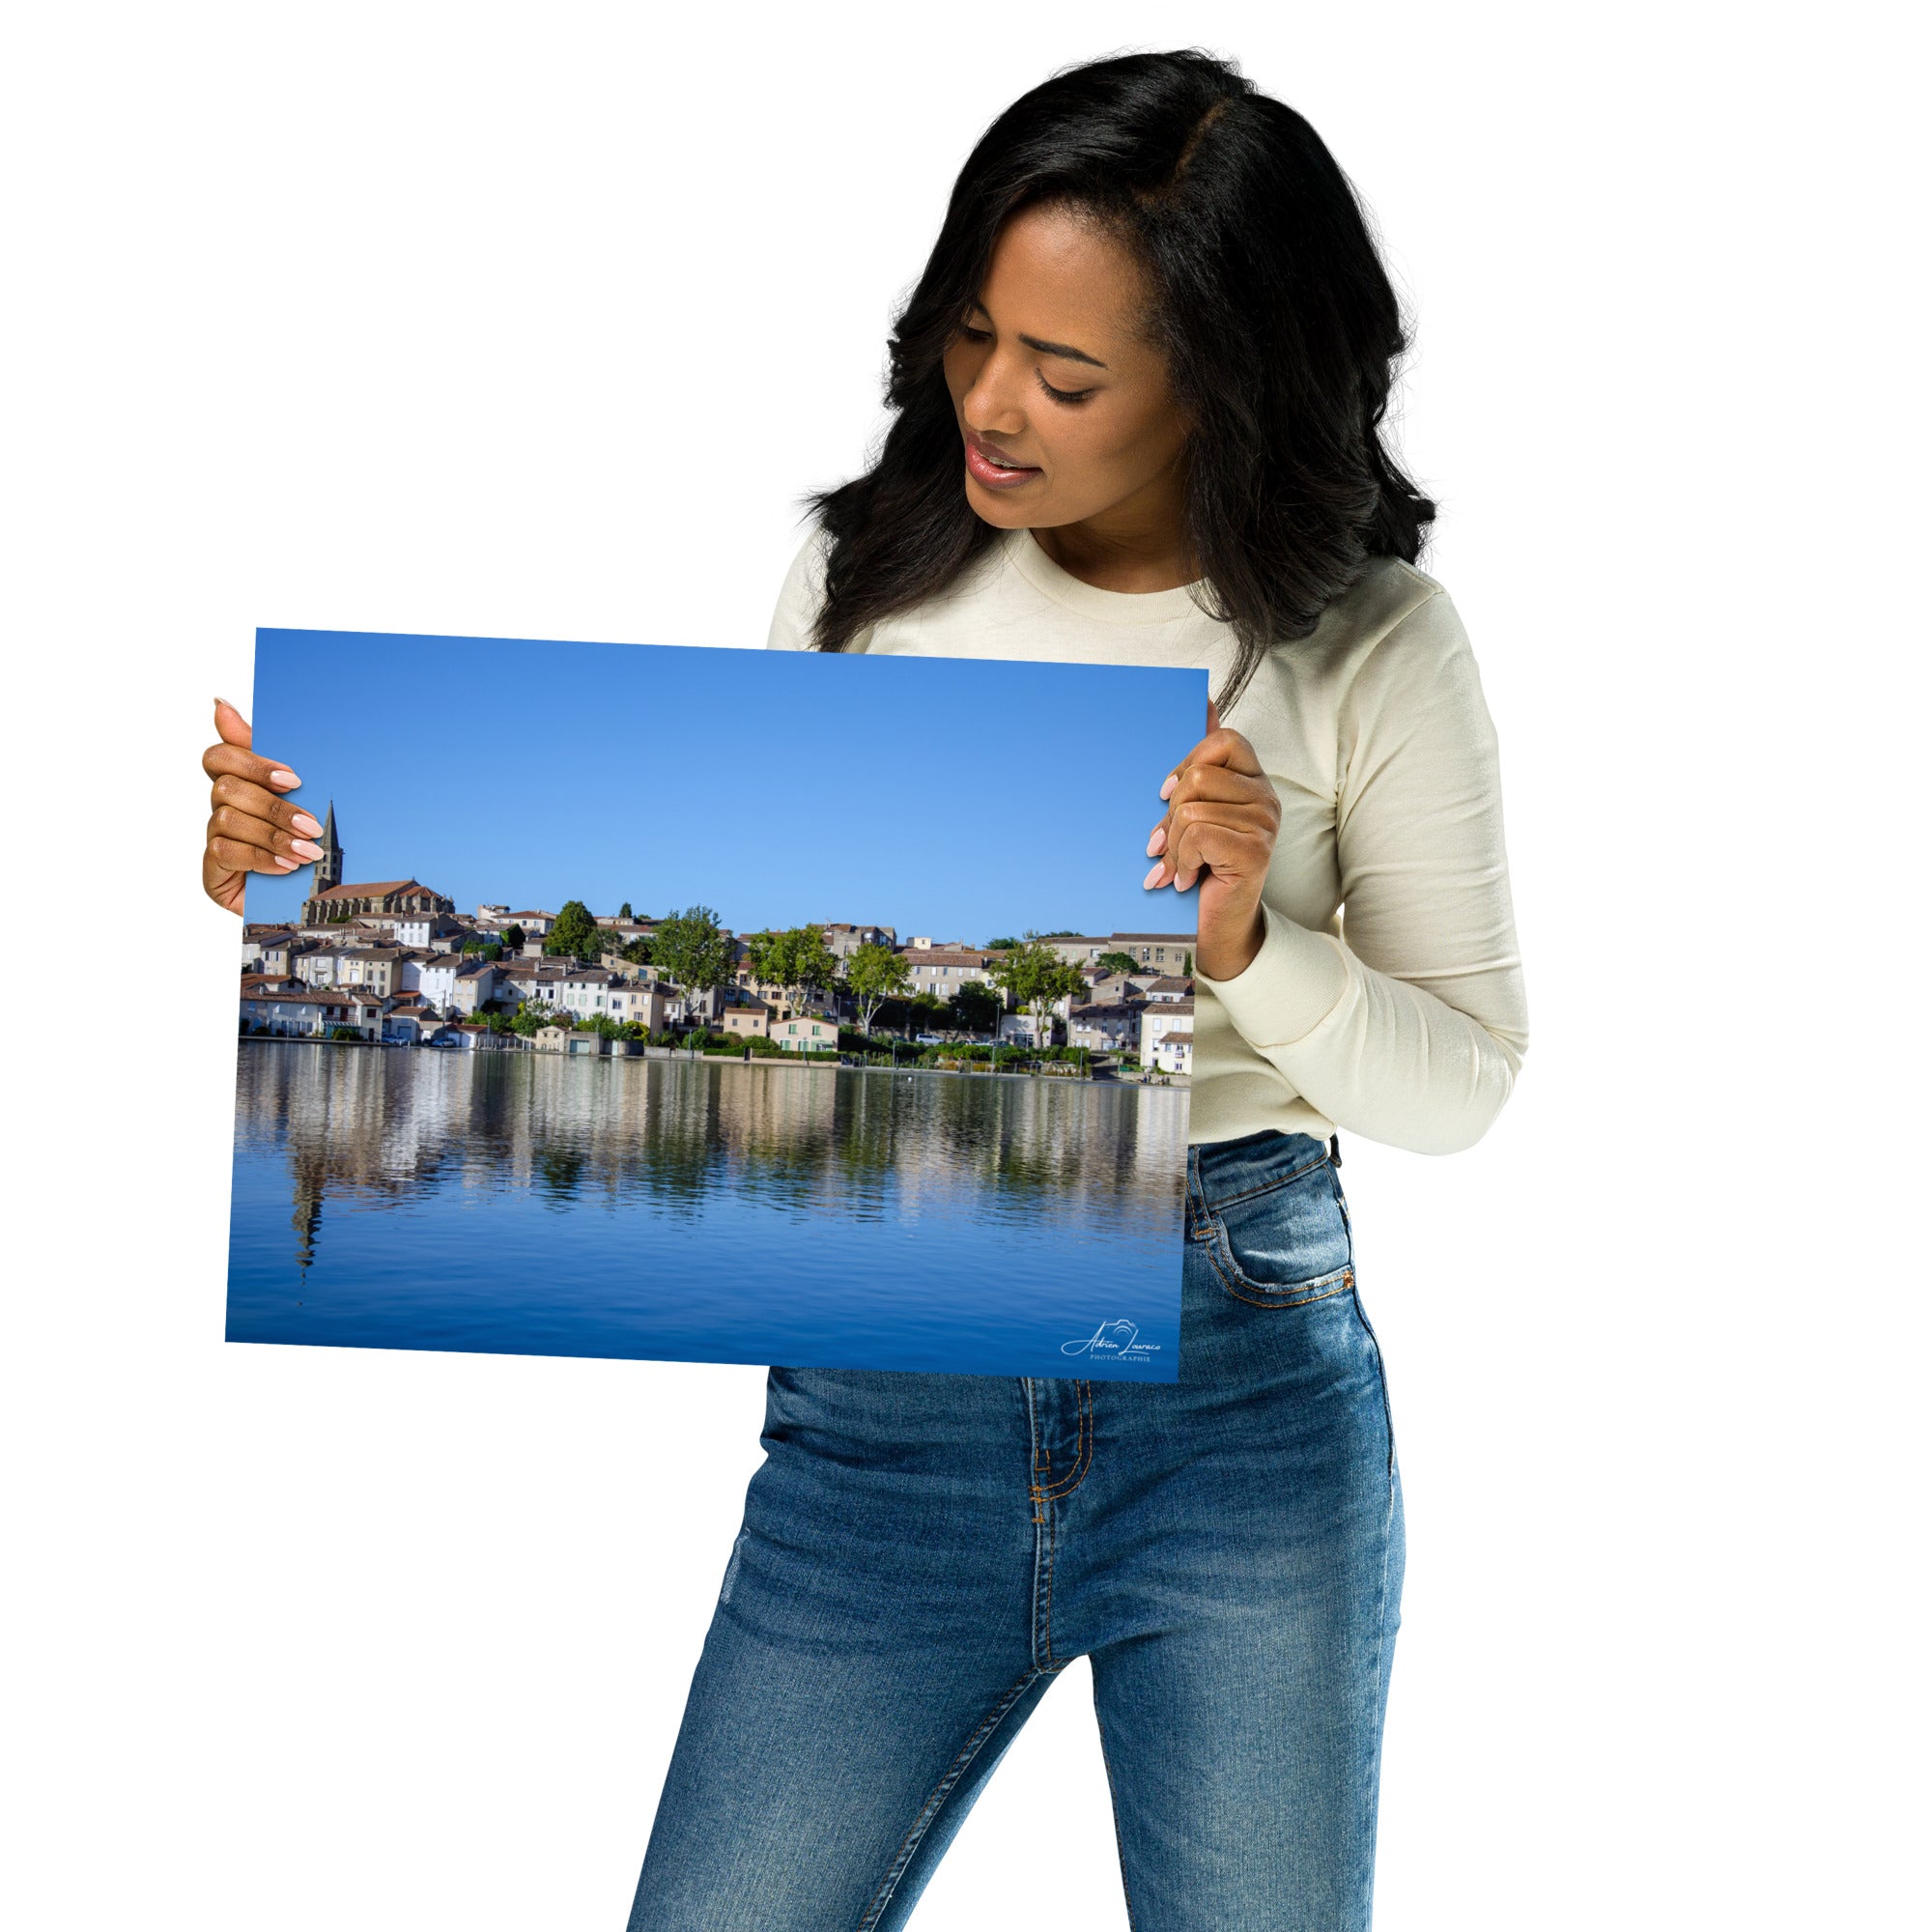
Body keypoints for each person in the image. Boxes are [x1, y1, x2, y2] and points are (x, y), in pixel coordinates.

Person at [198, 48, 1528, 1931]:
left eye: (1065, 375)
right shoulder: (862, 576)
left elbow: (1466, 1081)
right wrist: (301, 888)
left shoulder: (1372, 642)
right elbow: (701, 955)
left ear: (1223, 382)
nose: (990, 402)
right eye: (972, 334)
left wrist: (1248, 945)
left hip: (1236, 1397)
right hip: (880, 1429)